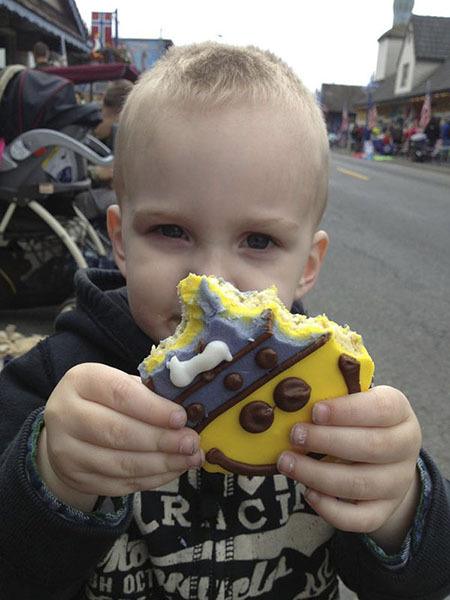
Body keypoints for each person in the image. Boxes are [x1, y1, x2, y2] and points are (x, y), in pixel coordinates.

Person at [0, 43, 449, 600]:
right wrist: (51, 478)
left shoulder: (328, 397)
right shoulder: (55, 384)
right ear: (119, 239)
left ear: (307, 265)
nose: (212, 281)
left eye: (258, 241)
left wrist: (398, 505)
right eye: (170, 230)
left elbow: (426, 579)